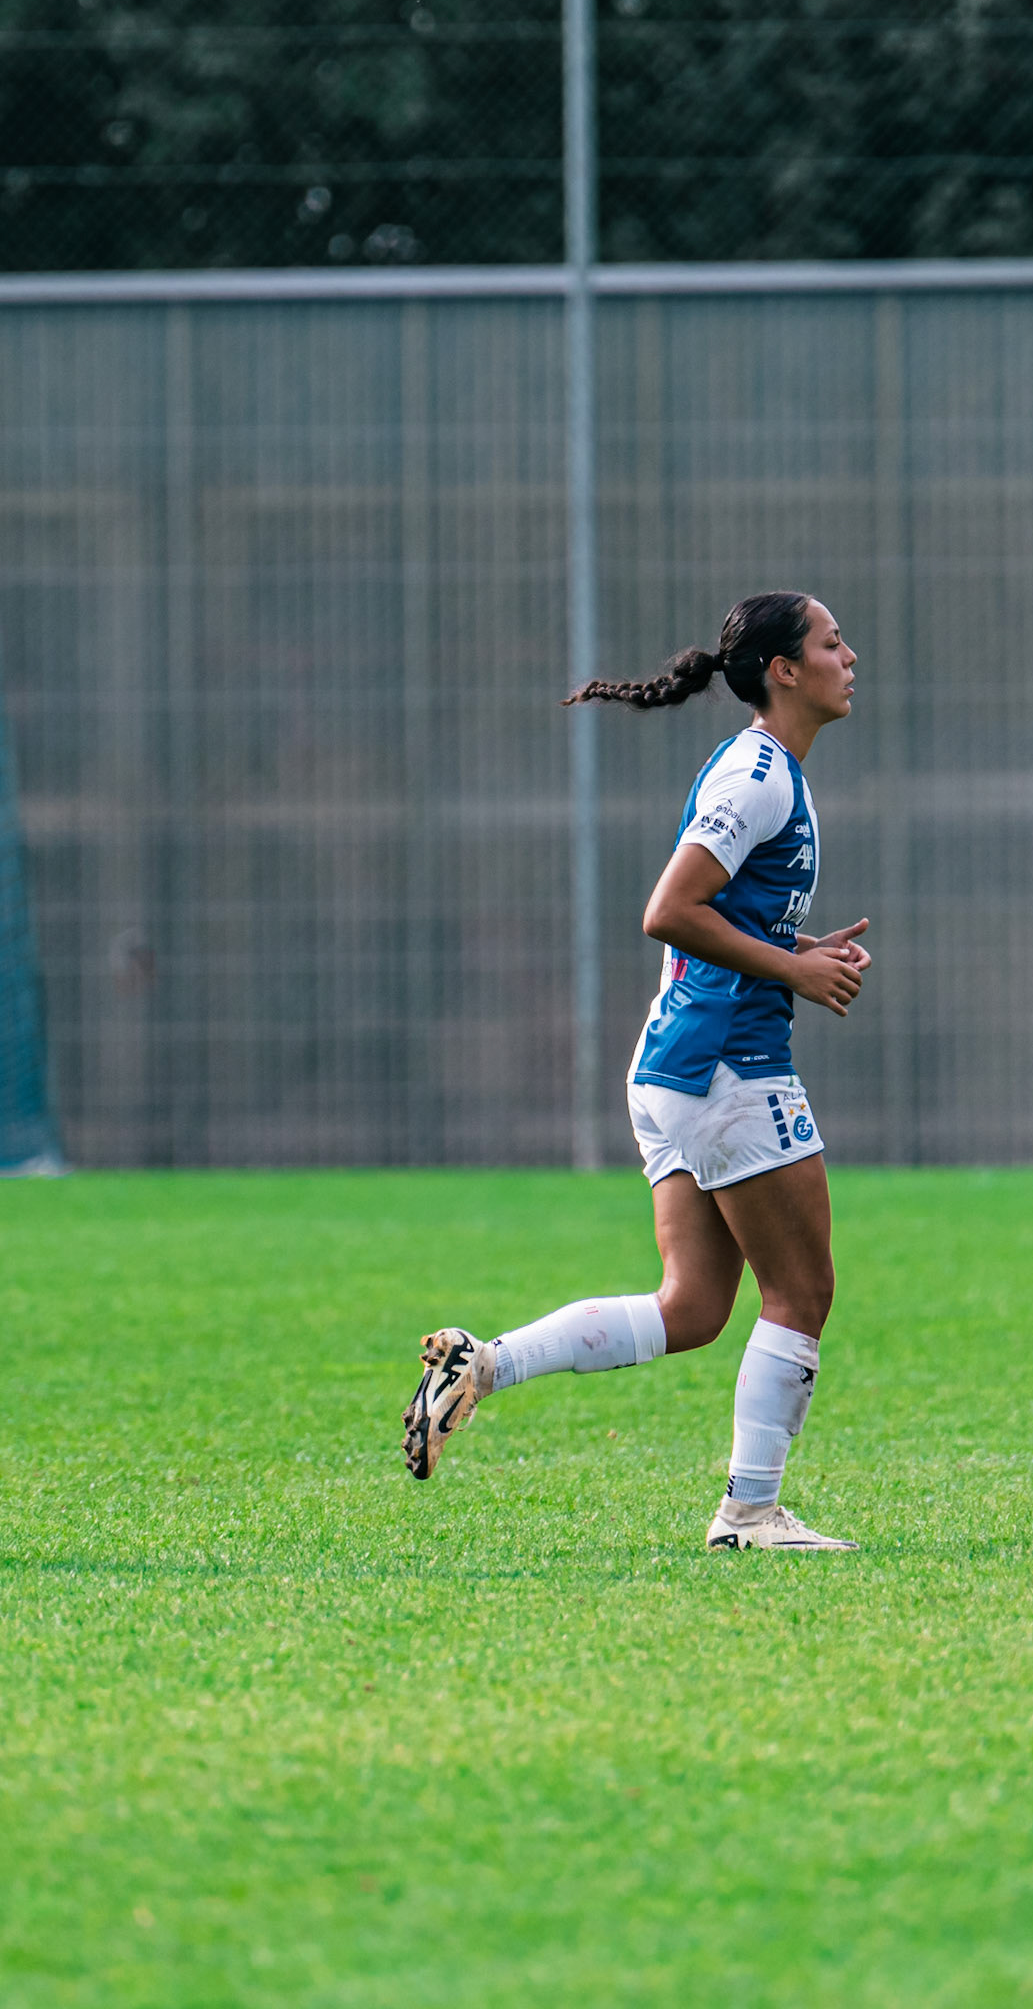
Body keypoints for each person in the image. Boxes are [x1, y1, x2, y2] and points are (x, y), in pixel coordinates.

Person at [403, 590, 870, 1552]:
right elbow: (668, 909)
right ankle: (748, 1512)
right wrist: (792, 970)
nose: (848, 655)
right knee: (801, 1295)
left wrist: (797, 945)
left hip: (674, 1069)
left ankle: (482, 1366)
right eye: (830, 643)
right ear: (784, 671)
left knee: (692, 1308)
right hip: (726, 1068)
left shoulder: (763, 768)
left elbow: (721, 917)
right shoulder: (759, 776)